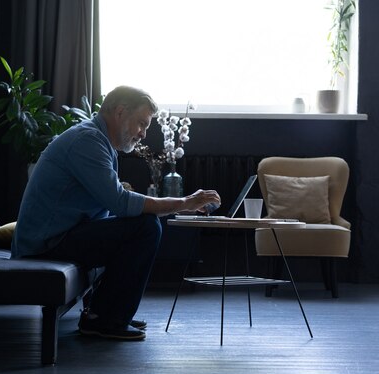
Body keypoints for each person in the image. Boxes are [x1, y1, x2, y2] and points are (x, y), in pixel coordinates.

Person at [11, 86, 221, 340]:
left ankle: (106, 313)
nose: (143, 134)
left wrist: (176, 205)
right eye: (141, 124)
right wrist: (185, 202)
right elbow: (120, 202)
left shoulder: (99, 141)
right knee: (145, 228)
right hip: (45, 245)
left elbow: (114, 205)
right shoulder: (87, 141)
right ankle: (105, 319)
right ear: (121, 112)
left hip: (58, 237)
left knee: (141, 224)